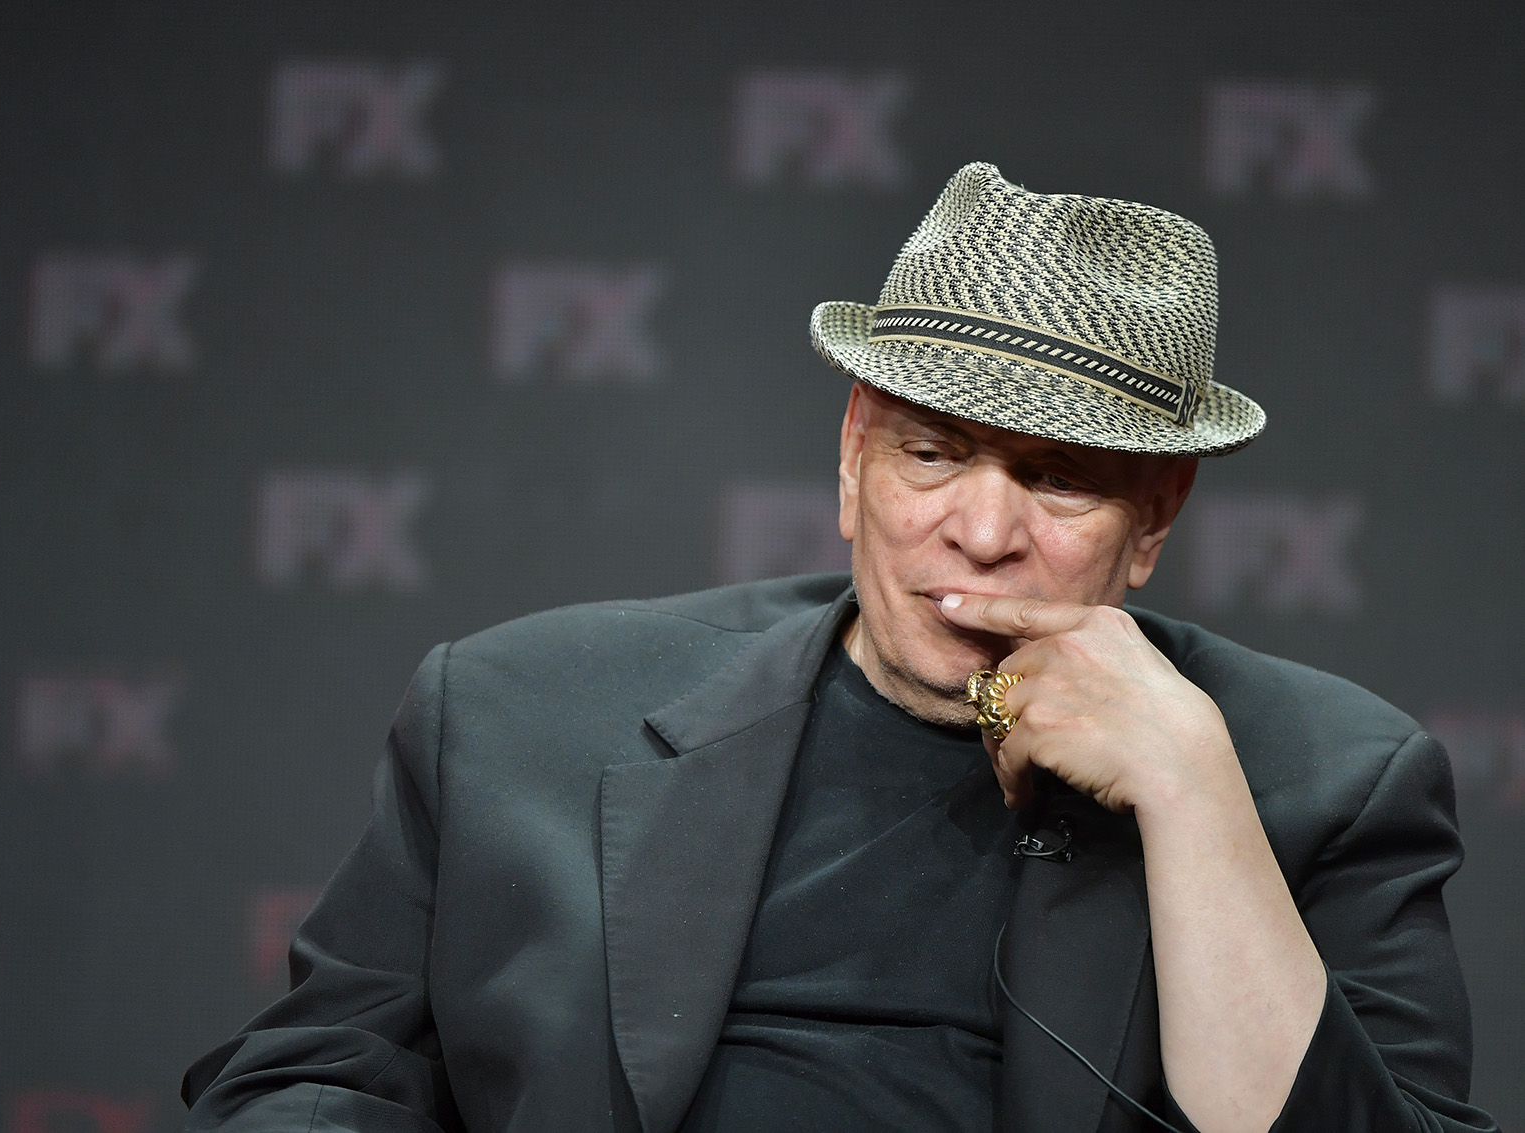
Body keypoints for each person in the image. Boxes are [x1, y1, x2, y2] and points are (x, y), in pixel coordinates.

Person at [180, 163, 1497, 1132]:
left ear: (1154, 520)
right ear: (854, 451)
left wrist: (1197, 802)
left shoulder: (1326, 782)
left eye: (1059, 480)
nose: (982, 531)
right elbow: (312, 1077)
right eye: (933, 454)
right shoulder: (518, 714)